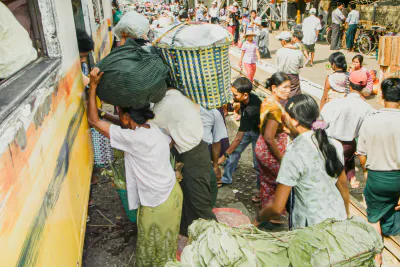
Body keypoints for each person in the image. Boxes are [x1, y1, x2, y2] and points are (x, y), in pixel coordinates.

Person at [87, 68, 182, 267]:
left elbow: (93, 121)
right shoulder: (153, 129)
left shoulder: (133, 138)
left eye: (118, 112)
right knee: (166, 248)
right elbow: (168, 142)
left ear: (127, 117)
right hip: (173, 193)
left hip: (157, 202)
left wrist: (93, 86)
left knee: (150, 250)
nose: (117, 115)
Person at [259, 94, 350, 229]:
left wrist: (258, 218)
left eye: (286, 120)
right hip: (337, 219)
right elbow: (342, 183)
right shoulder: (334, 144)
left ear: (295, 121)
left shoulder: (294, 152)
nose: (284, 126)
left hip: (310, 227)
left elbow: (277, 207)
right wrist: (346, 212)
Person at [151, 86, 217, 236]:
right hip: (199, 149)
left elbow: (138, 123)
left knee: (197, 201)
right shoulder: (176, 95)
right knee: (190, 195)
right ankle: (191, 231)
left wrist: (104, 115)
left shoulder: (162, 107)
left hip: (192, 155)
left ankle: (213, 239)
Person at [357, 78, 400, 241]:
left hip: (377, 178)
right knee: (392, 208)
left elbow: (361, 153)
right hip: (398, 179)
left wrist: (366, 171)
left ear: (381, 95)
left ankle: (377, 253)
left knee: (374, 216)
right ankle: (390, 227)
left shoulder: (370, 120)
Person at [321, 70, 376, 188]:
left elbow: (320, 124)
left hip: (330, 144)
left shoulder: (334, 104)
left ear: (349, 85)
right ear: (364, 87)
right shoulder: (368, 109)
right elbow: (368, 132)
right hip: (349, 147)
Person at [218, 77, 262, 201]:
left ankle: (261, 191)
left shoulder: (252, 109)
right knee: (235, 153)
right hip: (249, 129)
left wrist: (224, 156)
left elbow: (237, 139)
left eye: (235, 95)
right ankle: (226, 178)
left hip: (259, 134)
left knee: (257, 164)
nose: (233, 97)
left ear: (245, 95)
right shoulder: (245, 99)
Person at [255, 73, 291, 216]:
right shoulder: (275, 108)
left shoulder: (268, 101)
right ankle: (274, 214)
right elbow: (270, 137)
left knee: (267, 183)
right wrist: (281, 159)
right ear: (274, 88)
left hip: (261, 147)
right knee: (281, 182)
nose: (288, 90)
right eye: (285, 87)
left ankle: (268, 214)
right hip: (271, 150)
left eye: (290, 87)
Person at [200, 107, 229, 207]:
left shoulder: (213, 112)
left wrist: (216, 166)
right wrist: (216, 166)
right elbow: (216, 142)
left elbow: (217, 142)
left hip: (203, 155)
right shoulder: (213, 112)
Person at [275, 31, 304, 98]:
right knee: (295, 96)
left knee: (282, 95)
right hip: (294, 77)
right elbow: (300, 66)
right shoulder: (298, 51)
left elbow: (277, 65)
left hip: (282, 76)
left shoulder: (279, 51)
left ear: (283, 41)